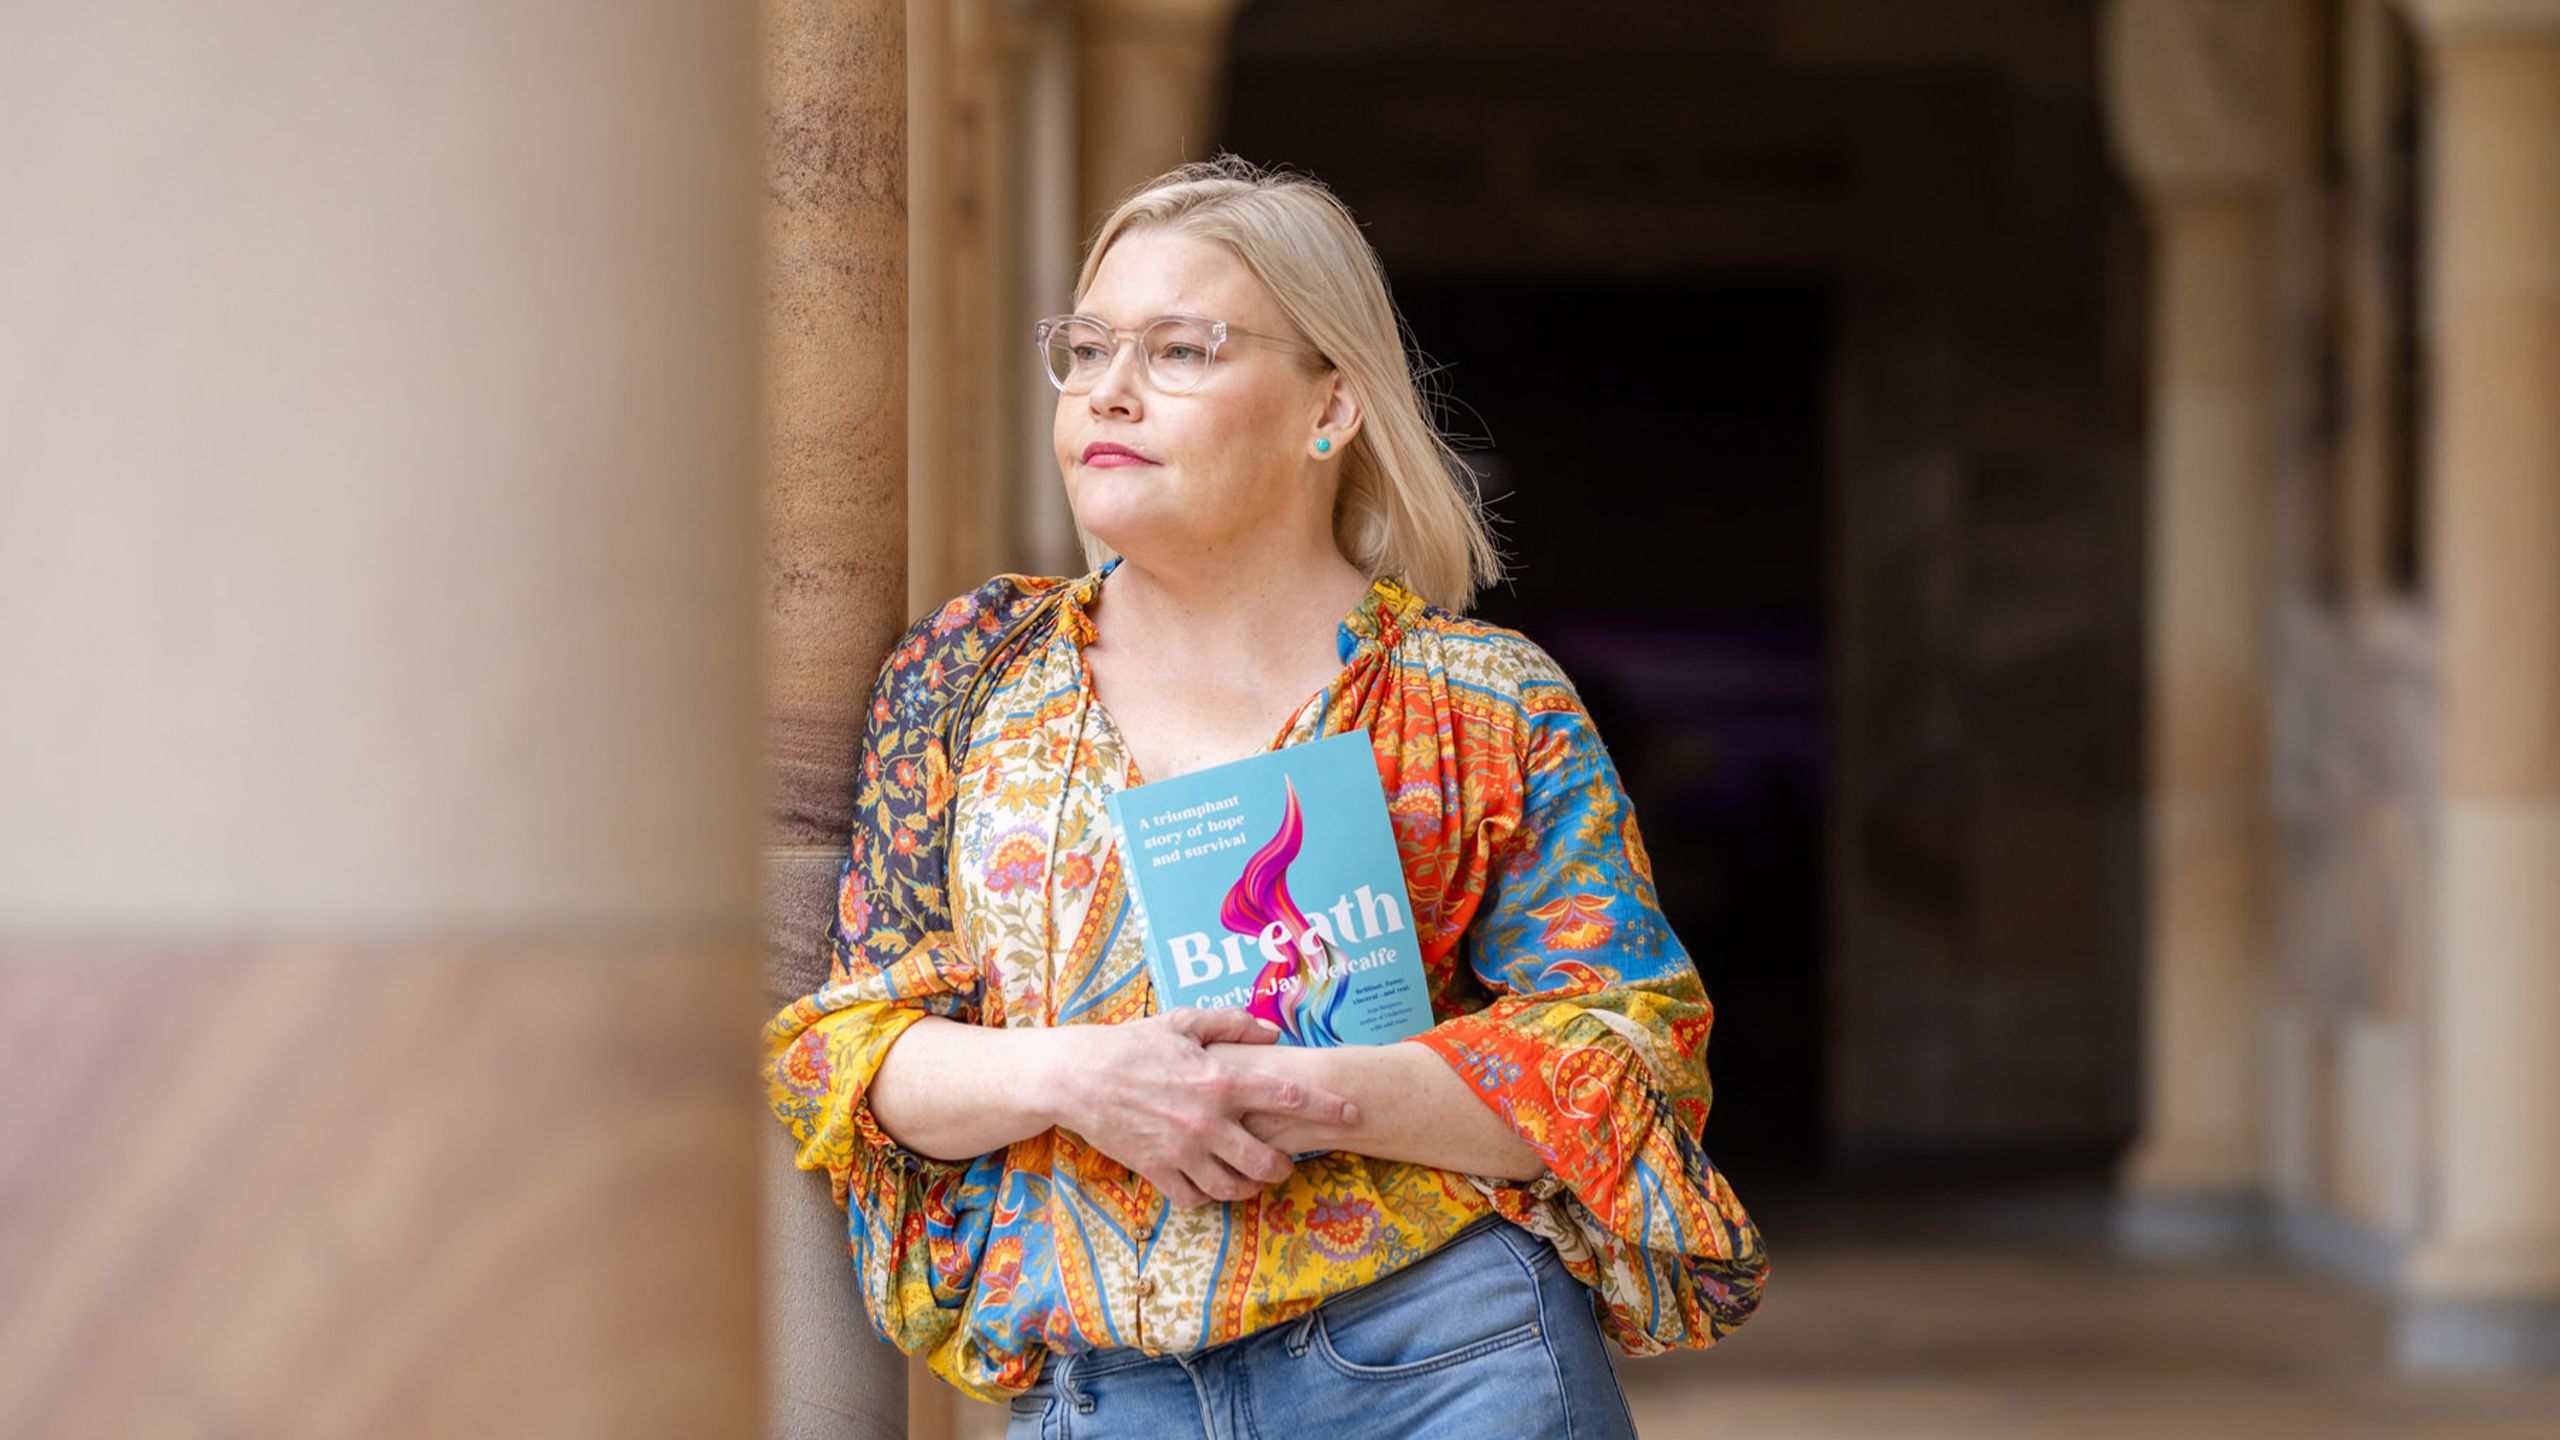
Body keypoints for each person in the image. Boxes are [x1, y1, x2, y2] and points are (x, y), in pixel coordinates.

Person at [766, 155, 1767, 1439]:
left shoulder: (1483, 702)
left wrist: (1301, 1090)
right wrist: (1088, 1077)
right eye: (1083, 350)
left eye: (1180, 349)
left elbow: (1624, 1063)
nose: (1106, 393)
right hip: (1105, 1394)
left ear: (1329, 406)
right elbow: (847, 1055)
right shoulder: (966, 678)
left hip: (1446, 1364)